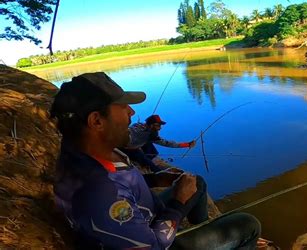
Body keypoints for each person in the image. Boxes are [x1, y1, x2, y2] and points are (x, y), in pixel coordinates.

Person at [50, 72, 261, 249]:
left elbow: (122, 181)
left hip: (145, 215)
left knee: (197, 183)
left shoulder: (83, 150)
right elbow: (153, 246)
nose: (131, 112)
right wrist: (178, 204)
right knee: (249, 224)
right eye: (123, 107)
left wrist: (154, 180)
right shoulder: (100, 191)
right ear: (96, 121)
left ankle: (208, 232)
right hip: (155, 239)